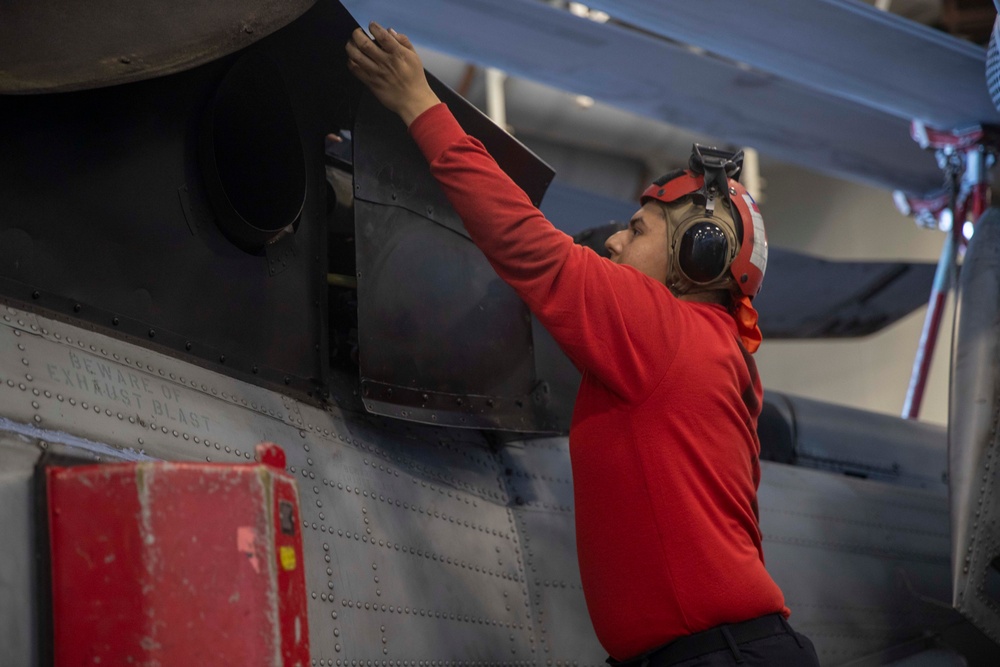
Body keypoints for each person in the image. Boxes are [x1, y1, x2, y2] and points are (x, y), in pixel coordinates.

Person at [346, 22, 821, 667]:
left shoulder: (662, 330)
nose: (614, 243)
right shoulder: (713, 350)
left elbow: (530, 247)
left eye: (638, 229)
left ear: (697, 256)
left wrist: (417, 104)